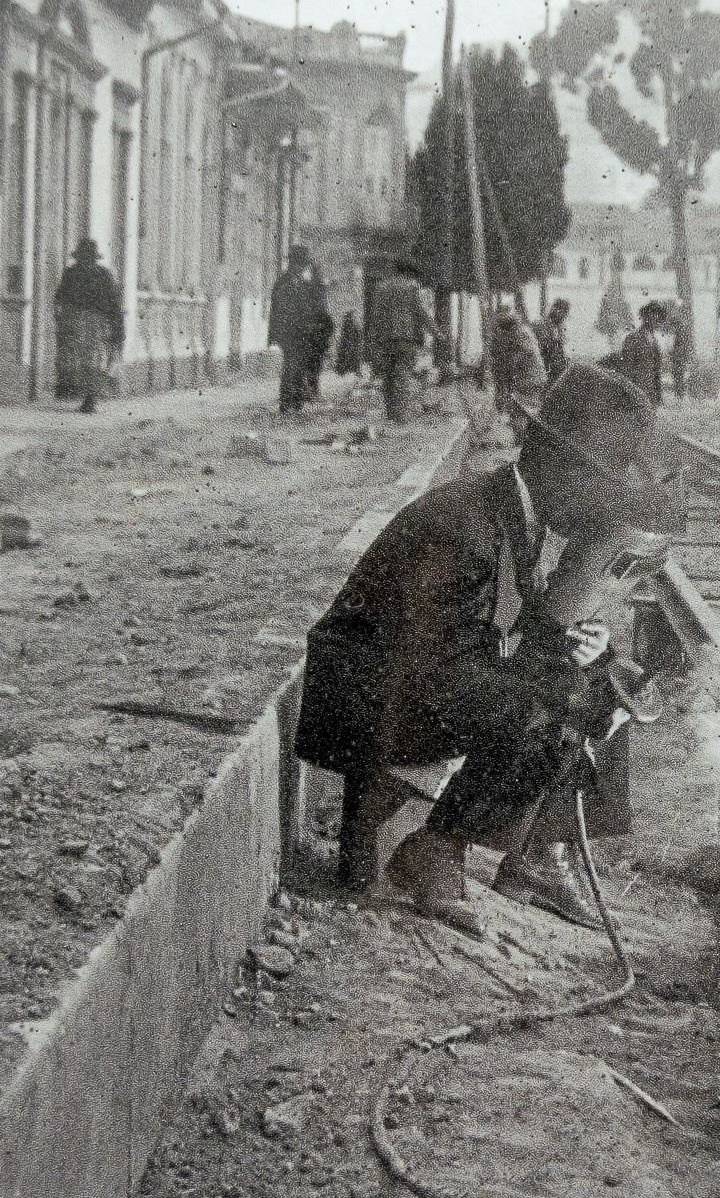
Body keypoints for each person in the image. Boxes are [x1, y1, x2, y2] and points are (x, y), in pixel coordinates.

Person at [296, 365, 680, 936]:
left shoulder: (506, 510)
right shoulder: (467, 527)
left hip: (399, 685)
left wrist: (571, 649)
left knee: (593, 681)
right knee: (565, 702)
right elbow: (427, 669)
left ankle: (521, 852)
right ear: (561, 468)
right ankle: (439, 850)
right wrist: (551, 682)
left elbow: (479, 636)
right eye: (602, 485)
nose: (606, 504)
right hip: (363, 705)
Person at [53, 239, 123, 414]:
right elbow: (114, 304)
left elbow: (59, 299)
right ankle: (89, 398)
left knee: (80, 359)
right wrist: (117, 329)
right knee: (93, 360)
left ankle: (85, 397)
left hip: (76, 321)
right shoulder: (103, 274)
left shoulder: (71, 273)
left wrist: (60, 320)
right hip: (95, 322)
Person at [269, 245, 332, 414]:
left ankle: (291, 401)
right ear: (298, 263)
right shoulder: (293, 282)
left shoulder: (285, 280)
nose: (303, 267)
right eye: (303, 263)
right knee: (294, 365)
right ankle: (291, 402)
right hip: (294, 333)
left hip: (292, 333)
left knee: (293, 365)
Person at [371, 258, 434, 423]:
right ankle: (401, 416)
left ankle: (391, 414)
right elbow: (420, 313)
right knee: (403, 375)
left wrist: (375, 337)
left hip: (385, 339)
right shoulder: (411, 287)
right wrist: (435, 331)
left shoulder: (381, 287)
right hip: (406, 338)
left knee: (388, 376)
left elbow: (376, 315)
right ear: (408, 272)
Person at [606, 300, 669, 405]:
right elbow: (627, 367)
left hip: (651, 391)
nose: (655, 319)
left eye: (657, 316)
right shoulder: (633, 338)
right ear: (644, 317)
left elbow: (656, 370)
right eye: (651, 315)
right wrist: (629, 393)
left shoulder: (654, 341)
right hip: (637, 388)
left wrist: (658, 395)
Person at [489, 302, 548, 413]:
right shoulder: (521, 331)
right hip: (532, 378)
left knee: (526, 409)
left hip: (531, 379)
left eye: (504, 329)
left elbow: (516, 360)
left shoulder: (520, 334)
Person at [532, 298, 572, 383]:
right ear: (554, 309)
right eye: (561, 310)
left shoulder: (560, 327)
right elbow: (541, 347)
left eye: (565, 312)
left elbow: (561, 347)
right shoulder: (540, 325)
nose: (563, 315)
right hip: (543, 363)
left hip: (556, 365)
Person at [334, 309, 365, 377]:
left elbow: (357, 336)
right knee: (351, 359)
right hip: (351, 347)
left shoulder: (347, 326)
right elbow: (357, 335)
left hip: (349, 347)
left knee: (350, 359)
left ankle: (344, 372)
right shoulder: (350, 326)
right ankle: (349, 372)